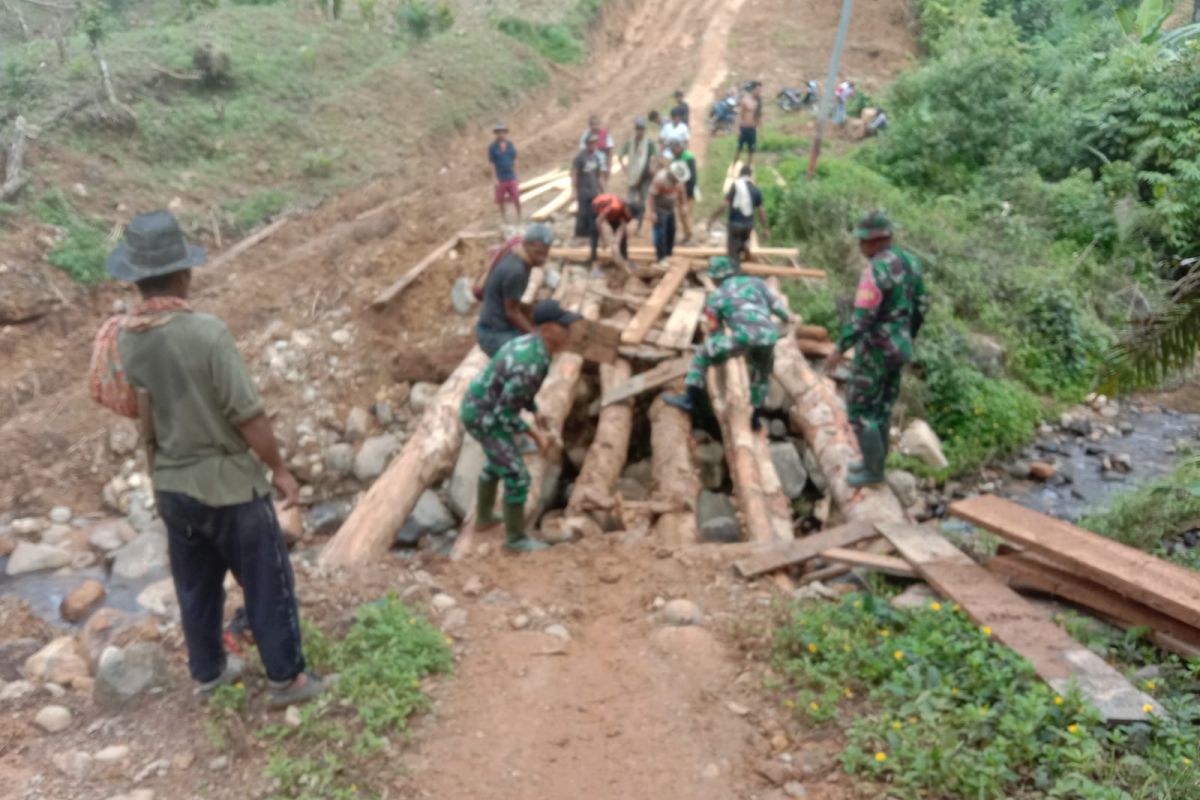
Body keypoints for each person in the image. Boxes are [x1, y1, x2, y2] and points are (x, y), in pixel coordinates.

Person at [89, 211, 329, 707]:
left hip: (173, 486)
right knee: (267, 579)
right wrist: (279, 470)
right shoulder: (207, 333)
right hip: (229, 486)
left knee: (196, 587)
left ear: (136, 279)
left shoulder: (126, 338)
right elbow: (250, 416)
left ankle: (208, 675)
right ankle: (288, 679)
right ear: (183, 275)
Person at [460, 299, 583, 553]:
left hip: (482, 406)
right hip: (485, 416)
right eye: (564, 327)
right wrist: (537, 436)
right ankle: (515, 540)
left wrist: (534, 411)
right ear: (548, 329)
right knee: (517, 476)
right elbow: (505, 414)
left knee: (497, 460)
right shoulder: (532, 361)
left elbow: (517, 392)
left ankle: (483, 518)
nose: (569, 332)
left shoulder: (533, 346)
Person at [824, 211, 928, 487]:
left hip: (876, 351)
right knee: (882, 407)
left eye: (862, 241)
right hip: (900, 348)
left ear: (876, 240)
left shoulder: (876, 270)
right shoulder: (910, 262)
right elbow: (922, 304)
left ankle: (872, 470)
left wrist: (840, 348)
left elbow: (862, 318)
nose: (860, 247)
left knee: (859, 409)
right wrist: (907, 334)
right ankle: (876, 464)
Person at [664, 256, 789, 431]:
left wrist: (717, 349)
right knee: (761, 374)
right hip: (768, 336)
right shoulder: (756, 282)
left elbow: (714, 329)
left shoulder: (717, 296)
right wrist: (785, 321)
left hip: (742, 338)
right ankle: (756, 418)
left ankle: (689, 400)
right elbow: (778, 308)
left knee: (702, 354)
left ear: (715, 278)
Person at [476, 223, 555, 356]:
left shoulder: (516, 253)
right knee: (538, 356)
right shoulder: (516, 271)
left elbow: (512, 304)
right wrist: (536, 336)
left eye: (545, 254)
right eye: (538, 253)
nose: (543, 258)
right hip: (495, 334)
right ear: (527, 245)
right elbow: (512, 312)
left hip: (491, 326)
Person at [708, 165, 769, 271]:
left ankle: (735, 275)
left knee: (733, 254)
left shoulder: (735, 186)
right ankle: (745, 267)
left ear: (740, 174)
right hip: (748, 225)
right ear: (751, 176)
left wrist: (712, 218)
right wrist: (765, 228)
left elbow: (724, 205)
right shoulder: (756, 190)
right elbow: (761, 211)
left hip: (735, 225)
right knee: (743, 245)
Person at [619, 116, 657, 234]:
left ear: (644, 130)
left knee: (642, 202)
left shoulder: (649, 143)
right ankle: (626, 225)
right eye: (638, 129)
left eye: (642, 129)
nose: (640, 131)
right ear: (636, 129)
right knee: (629, 202)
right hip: (632, 175)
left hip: (645, 176)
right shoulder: (629, 142)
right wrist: (624, 167)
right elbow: (620, 154)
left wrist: (652, 167)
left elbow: (654, 157)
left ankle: (639, 226)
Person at [648, 160, 689, 263]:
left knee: (671, 231)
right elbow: (652, 195)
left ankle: (668, 254)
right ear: (672, 173)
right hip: (660, 209)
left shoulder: (679, 181)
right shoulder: (660, 179)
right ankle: (660, 257)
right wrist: (652, 212)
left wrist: (683, 204)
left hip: (670, 209)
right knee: (661, 234)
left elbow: (682, 192)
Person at [573, 134, 606, 241]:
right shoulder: (580, 158)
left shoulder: (596, 158)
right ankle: (580, 235)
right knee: (582, 213)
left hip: (593, 190)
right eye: (591, 143)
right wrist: (574, 190)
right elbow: (574, 174)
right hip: (583, 191)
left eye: (595, 143)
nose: (593, 145)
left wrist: (603, 190)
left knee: (594, 213)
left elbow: (599, 176)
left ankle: (592, 233)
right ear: (587, 144)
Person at [590, 193, 635, 267]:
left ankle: (624, 258)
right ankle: (594, 259)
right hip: (597, 207)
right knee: (594, 231)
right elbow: (598, 222)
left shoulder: (626, 214)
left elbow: (623, 227)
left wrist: (618, 239)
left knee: (624, 236)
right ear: (626, 208)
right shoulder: (614, 207)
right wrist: (603, 240)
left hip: (613, 215)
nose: (629, 215)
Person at [487, 122, 520, 223]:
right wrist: (495, 179)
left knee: (516, 198)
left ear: (505, 133)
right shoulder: (492, 147)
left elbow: (515, 160)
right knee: (500, 200)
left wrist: (517, 175)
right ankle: (504, 219)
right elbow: (491, 164)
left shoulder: (510, 145)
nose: (501, 134)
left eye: (502, 132)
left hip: (511, 176)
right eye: (498, 132)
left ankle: (519, 217)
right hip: (500, 178)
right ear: (496, 134)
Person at [735, 81, 763, 164]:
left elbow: (759, 115)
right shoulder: (745, 101)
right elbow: (740, 115)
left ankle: (748, 168)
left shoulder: (758, 102)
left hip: (752, 129)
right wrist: (737, 129)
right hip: (744, 128)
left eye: (760, 90)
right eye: (757, 90)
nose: (759, 92)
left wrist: (761, 129)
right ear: (753, 90)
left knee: (751, 151)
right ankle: (733, 167)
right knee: (739, 149)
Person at [676, 143, 698, 245]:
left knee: (686, 214)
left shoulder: (688, 157)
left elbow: (692, 176)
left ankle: (691, 237)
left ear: (679, 147)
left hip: (688, 191)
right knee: (681, 214)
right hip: (679, 192)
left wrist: (690, 191)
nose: (672, 151)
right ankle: (686, 236)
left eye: (674, 148)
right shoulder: (676, 158)